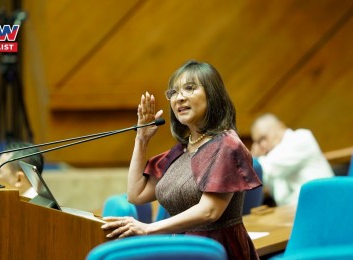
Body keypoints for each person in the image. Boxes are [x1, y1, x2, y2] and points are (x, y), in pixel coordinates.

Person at [102, 60, 262, 259]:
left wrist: (147, 229)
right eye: (174, 92)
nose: (179, 98)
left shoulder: (227, 144)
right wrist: (141, 139)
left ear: (213, 95)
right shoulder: (181, 150)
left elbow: (209, 211)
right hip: (180, 249)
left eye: (189, 88)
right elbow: (136, 194)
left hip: (216, 250)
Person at [250, 113, 334, 206]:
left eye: (263, 138)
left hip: (325, 204)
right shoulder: (271, 156)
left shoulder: (301, 138)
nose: (262, 145)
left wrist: (255, 158)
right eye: (257, 142)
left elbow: (263, 170)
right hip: (298, 210)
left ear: (280, 126)